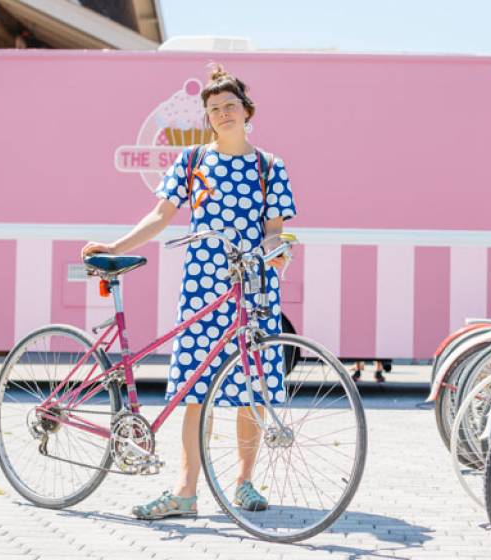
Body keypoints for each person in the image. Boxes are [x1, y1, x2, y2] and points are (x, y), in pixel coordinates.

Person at [81, 65, 296, 519]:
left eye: (230, 106)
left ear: (247, 110)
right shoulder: (193, 161)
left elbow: (274, 230)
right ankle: (185, 491)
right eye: (214, 109)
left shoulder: (269, 166)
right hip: (202, 284)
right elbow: (160, 216)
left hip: (254, 286)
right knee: (195, 390)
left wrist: (278, 253)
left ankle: (244, 483)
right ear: (207, 117)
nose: (222, 114)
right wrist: (116, 246)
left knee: (250, 387)